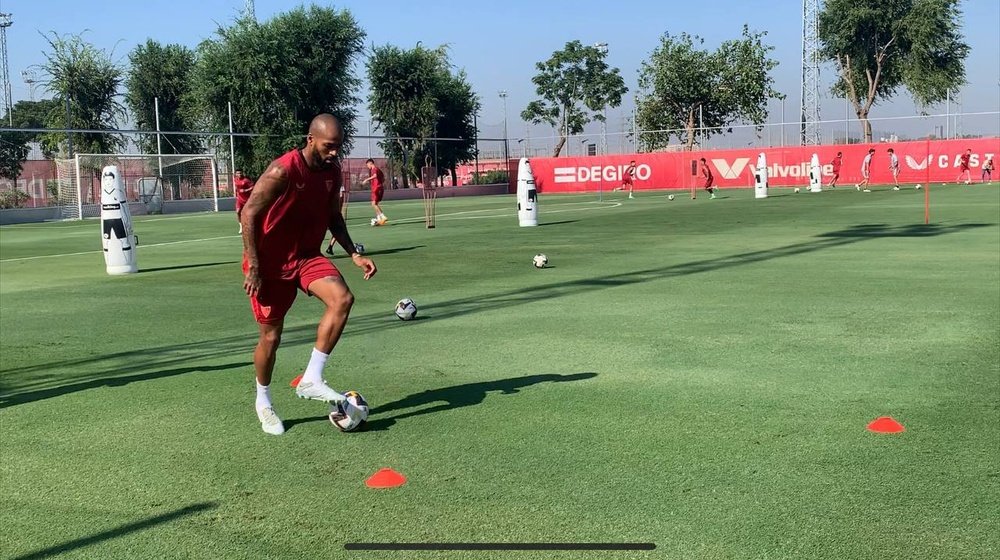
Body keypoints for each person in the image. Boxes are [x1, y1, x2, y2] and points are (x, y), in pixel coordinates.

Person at [240, 114, 377, 436]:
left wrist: (354, 254)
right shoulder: (282, 170)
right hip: (270, 265)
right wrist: (255, 266)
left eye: (339, 148)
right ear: (310, 139)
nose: (334, 153)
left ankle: (312, 377)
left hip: (306, 258)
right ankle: (263, 400)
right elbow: (249, 213)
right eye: (329, 147)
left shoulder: (332, 173)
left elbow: (333, 217)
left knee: (343, 298)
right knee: (271, 338)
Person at [360, 158, 387, 225]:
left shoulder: (374, 169)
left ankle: (383, 216)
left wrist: (366, 179)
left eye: (367, 165)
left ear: (370, 163)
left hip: (376, 188)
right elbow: (383, 179)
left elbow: (375, 176)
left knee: (373, 204)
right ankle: (378, 219)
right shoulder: (379, 170)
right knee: (375, 204)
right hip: (380, 188)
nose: (367, 167)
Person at [233, 169, 255, 234]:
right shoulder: (235, 179)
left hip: (247, 200)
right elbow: (237, 187)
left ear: (242, 173)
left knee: (249, 214)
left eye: (240, 173)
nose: (239, 174)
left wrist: (246, 190)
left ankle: (251, 226)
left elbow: (253, 187)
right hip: (239, 199)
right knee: (238, 212)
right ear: (236, 174)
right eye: (238, 173)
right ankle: (241, 226)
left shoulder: (246, 180)